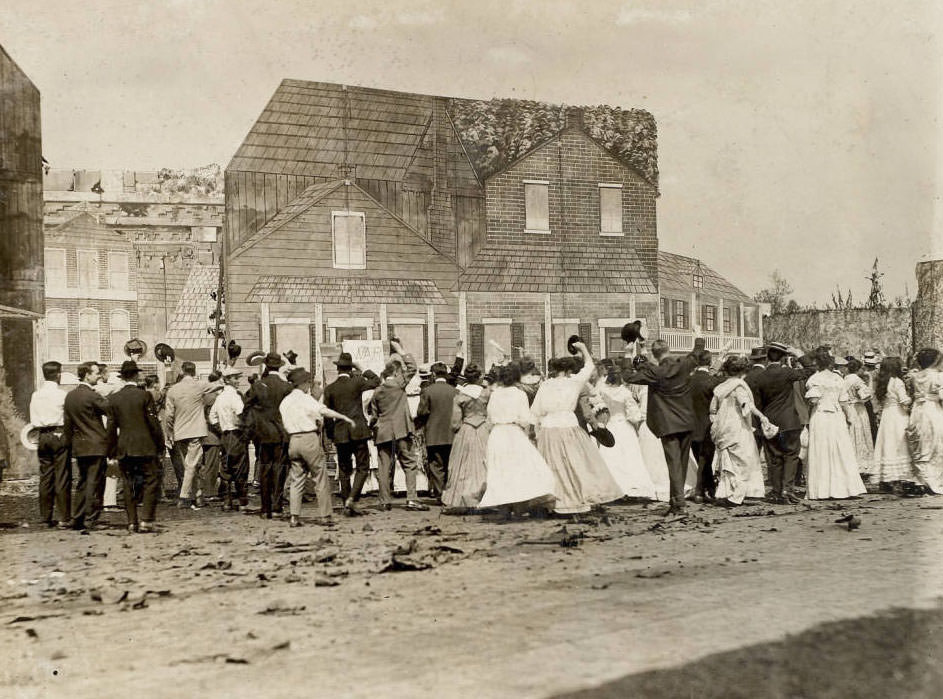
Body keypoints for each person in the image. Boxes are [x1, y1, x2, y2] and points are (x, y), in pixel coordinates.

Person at [531, 342, 623, 515]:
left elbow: (536, 412)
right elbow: (589, 366)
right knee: (576, 463)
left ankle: (556, 503)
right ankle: (576, 499)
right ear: (568, 371)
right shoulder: (573, 382)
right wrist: (583, 349)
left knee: (554, 465)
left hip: (549, 427)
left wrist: (536, 431)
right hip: (568, 425)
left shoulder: (545, 385)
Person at [622, 339, 698, 517]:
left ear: (655, 355)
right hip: (686, 421)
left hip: (668, 424)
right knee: (682, 463)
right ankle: (675, 501)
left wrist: (627, 353)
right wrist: (697, 335)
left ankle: (679, 503)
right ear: (669, 350)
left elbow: (627, 376)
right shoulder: (684, 365)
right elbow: (696, 354)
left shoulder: (655, 372)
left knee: (674, 465)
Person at [280, 368, 355, 528]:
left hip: (293, 440)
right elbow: (323, 411)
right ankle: (325, 515)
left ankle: (294, 516)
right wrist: (343, 417)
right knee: (320, 478)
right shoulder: (306, 399)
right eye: (308, 382)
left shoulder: (285, 401)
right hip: (309, 439)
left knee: (297, 479)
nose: (309, 385)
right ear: (303, 383)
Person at [478, 362, 556, 515]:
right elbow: (525, 419)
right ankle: (519, 507)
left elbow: (490, 416)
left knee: (500, 470)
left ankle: (503, 507)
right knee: (519, 470)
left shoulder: (495, 394)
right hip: (513, 433)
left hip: (498, 433)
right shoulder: (520, 394)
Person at [369, 339, 428, 511]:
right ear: (396, 372)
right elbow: (412, 368)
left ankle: (385, 501)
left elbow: (374, 415)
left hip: (383, 432)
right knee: (409, 464)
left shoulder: (377, 391)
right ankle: (411, 498)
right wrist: (401, 350)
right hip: (402, 430)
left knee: (384, 467)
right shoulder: (399, 384)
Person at [753, 342, 815, 504]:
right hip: (789, 421)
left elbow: (757, 403)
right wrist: (799, 354)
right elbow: (810, 370)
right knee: (791, 455)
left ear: (767, 357)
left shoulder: (760, 376)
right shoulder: (787, 373)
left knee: (774, 457)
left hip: (770, 420)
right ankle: (788, 489)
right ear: (783, 357)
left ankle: (776, 490)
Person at [106, 361, 164, 532]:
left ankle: (132, 521)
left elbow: (110, 428)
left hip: (124, 446)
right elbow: (153, 423)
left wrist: (111, 450)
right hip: (145, 446)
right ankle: (146, 519)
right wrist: (160, 444)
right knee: (151, 480)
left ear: (122, 377)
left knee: (128, 483)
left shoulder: (114, 399)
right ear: (136, 375)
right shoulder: (144, 396)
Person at [322, 352, 380, 516]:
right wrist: (362, 368)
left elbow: (327, 414)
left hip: (340, 433)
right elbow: (376, 381)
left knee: (344, 469)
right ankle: (352, 499)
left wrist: (331, 434)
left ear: (338, 369)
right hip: (358, 430)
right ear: (351, 368)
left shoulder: (330, 388)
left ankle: (346, 500)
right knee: (363, 467)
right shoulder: (357, 382)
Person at [804, 349, 867, 500]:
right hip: (837, 416)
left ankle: (822, 489)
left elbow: (813, 400)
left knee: (822, 449)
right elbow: (844, 402)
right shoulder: (838, 379)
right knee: (840, 449)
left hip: (821, 416)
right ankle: (844, 487)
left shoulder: (814, 379)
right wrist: (849, 417)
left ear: (817, 363)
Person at [709, 355, 771, 506]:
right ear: (743, 371)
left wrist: (717, 422)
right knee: (743, 461)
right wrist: (762, 417)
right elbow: (746, 405)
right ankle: (737, 496)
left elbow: (712, 409)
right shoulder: (739, 386)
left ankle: (728, 491)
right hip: (738, 427)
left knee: (728, 460)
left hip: (723, 427)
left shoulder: (721, 387)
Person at [595, 363, 656, 500]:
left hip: (610, 425)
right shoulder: (625, 393)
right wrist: (638, 419)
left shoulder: (602, 391)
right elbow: (633, 415)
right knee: (629, 457)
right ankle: (631, 487)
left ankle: (612, 487)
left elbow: (598, 404)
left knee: (611, 456)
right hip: (624, 425)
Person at [64, 362, 111, 531]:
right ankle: (91, 520)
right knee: (95, 483)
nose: (99, 376)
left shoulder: (70, 396)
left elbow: (67, 425)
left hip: (80, 446)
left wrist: (70, 446)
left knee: (83, 482)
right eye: (96, 373)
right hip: (96, 444)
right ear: (87, 375)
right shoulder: (92, 396)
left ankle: (77, 517)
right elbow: (110, 410)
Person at [244, 352, 293, 518]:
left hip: (263, 434)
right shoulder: (286, 386)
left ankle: (265, 508)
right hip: (281, 432)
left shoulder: (258, 385)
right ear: (279, 366)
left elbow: (246, 405)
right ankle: (277, 506)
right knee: (280, 469)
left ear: (265, 365)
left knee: (265, 468)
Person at [441, 364, 491, 511]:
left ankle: (462, 497)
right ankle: (484, 497)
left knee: (462, 464)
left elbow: (455, 423)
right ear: (480, 376)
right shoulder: (487, 394)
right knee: (484, 463)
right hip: (483, 429)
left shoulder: (460, 396)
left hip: (466, 429)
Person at [30, 361, 71, 528]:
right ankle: (63, 517)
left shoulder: (36, 395)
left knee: (45, 477)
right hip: (58, 433)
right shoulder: (62, 395)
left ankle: (45, 517)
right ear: (58, 375)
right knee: (61, 476)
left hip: (42, 435)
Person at [164, 361, 209, 510]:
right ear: (194, 372)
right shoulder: (199, 386)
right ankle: (184, 496)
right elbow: (218, 384)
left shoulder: (173, 390)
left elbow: (169, 415)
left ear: (182, 371)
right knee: (192, 465)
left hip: (180, 431)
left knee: (189, 465)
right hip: (196, 430)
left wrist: (169, 431)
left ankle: (198, 495)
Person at [871, 357, 917, 493]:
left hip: (887, 415)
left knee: (887, 445)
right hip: (898, 415)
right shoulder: (897, 382)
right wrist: (914, 397)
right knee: (899, 445)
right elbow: (904, 401)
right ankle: (899, 477)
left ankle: (886, 479)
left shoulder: (882, 382)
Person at [416, 361, 457, 501]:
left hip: (433, 434)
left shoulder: (427, 391)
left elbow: (421, 412)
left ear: (433, 374)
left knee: (436, 465)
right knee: (450, 464)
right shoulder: (455, 391)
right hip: (452, 434)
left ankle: (440, 494)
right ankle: (451, 492)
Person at [209, 367, 250, 511]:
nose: (238, 381)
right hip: (236, 434)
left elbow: (212, 417)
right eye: (235, 378)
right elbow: (240, 414)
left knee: (226, 468)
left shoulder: (219, 397)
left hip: (225, 435)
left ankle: (227, 501)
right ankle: (243, 501)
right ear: (227, 380)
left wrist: (221, 429)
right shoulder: (235, 396)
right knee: (240, 468)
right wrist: (245, 427)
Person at [906, 348, 943, 494]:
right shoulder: (938, 376)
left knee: (920, 443)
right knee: (936, 442)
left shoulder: (915, 376)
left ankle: (922, 478)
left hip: (917, 410)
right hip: (932, 410)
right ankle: (935, 479)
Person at [689, 350, 721, 503]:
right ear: (709, 363)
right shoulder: (712, 381)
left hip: (691, 425)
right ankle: (700, 490)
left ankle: (710, 488)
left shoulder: (688, 380)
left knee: (702, 459)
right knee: (705, 459)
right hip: (708, 425)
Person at [841, 358, 875, 479]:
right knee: (861, 434)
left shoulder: (844, 379)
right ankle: (862, 465)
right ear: (858, 369)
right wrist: (870, 380)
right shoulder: (857, 380)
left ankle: (851, 463)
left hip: (848, 408)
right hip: (858, 409)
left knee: (852, 435)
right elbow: (866, 396)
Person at [201, 371, 224, 504]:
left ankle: (205, 489)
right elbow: (212, 418)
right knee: (212, 465)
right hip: (212, 436)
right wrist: (221, 431)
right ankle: (209, 492)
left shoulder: (205, 395)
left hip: (204, 434)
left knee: (205, 464)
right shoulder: (213, 397)